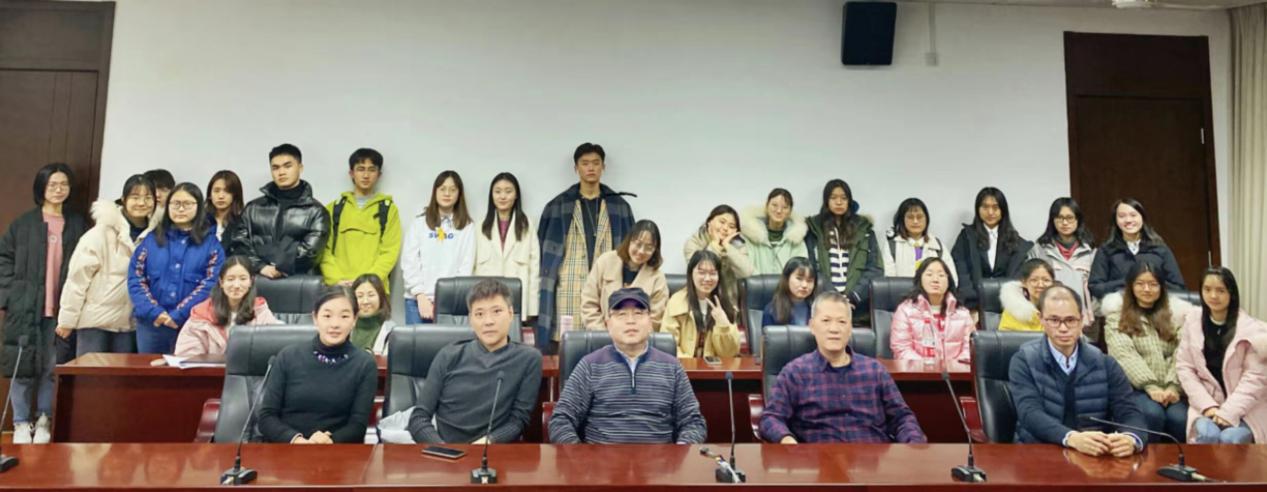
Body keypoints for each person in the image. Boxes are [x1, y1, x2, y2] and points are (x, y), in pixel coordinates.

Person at [760, 291, 926, 443]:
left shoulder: (875, 371)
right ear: (812, 326)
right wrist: (787, 440)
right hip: (819, 460)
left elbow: (902, 418)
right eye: (826, 321)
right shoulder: (795, 373)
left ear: (850, 328)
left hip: (872, 459)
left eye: (841, 322)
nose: (834, 329)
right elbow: (771, 418)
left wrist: (913, 444)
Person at [0, 163, 88, 444]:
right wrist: (11, 296)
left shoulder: (78, 225)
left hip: (61, 311)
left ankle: (44, 418)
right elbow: (3, 260)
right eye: (52, 184)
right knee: (22, 367)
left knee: (52, 368)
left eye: (63, 184)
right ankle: (20, 422)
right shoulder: (23, 224)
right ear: (41, 188)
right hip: (25, 308)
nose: (58, 189)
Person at [549, 287, 707, 444]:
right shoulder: (590, 366)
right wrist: (580, 456)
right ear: (608, 324)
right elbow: (561, 420)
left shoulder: (672, 367)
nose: (630, 321)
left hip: (659, 459)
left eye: (638, 313)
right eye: (621, 314)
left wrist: (679, 451)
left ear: (650, 322)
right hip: (601, 459)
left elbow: (693, 422)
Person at [1008, 284, 1147, 456]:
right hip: (1038, 452)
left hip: (1094, 454)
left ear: (1081, 320)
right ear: (1041, 319)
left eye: (1070, 320)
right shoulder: (1024, 360)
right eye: (1054, 320)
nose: (1063, 328)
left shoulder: (1105, 363)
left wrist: (1131, 438)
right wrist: (1071, 438)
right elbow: (1029, 414)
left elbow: (1129, 411)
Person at [408, 279, 543, 443]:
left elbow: (518, 421)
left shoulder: (528, 359)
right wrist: (443, 449)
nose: (488, 321)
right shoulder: (449, 355)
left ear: (510, 314)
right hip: (446, 452)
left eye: (496, 311)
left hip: (493, 452)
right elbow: (419, 419)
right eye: (479, 314)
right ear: (470, 319)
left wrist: (488, 442)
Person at [537, 143, 635, 352]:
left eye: (596, 163)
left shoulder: (620, 207)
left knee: (607, 348)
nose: (591, 168)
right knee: (566, 348)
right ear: (576, 168)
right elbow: (542, 256)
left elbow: (631, 255)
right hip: (567, 288)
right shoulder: (557, 206)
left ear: (603, 167)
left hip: (608, 289)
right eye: (585, 163)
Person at [257, 287, 377, 444]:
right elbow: (267, 417)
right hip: (288, 448)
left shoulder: (364, 364)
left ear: (354, 319)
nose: (335, 324)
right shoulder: (288, 357)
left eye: (344, 316)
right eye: (327, 316)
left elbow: (358, 425)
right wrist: (298, 441)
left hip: (337, 451)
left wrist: (329, 441)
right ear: (315, 318)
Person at [58, 174, 159, 356]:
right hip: (95, 324)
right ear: (124, 199)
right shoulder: (99, 234)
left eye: (148, 197)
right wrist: (67, 320)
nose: (141, 203)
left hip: (130, 325)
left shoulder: (158, 236)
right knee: (90, 374)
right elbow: (77, 280)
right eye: (135, 197)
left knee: (121, 375)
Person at [128, 183, 224, 354]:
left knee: (188, 371)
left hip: (192, 323)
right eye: (175, 204)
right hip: (152, 324)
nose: (180, 209)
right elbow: (136, 278)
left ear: (199, 207)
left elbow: (211, 284)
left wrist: (179, 314)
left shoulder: (211, 244)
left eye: (187, 204)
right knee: (149, 370)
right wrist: (154, 312)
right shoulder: (151, 239)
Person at [1103, 261, 1194, 441]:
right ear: (1131, 286)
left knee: (1180, 418)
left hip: (1172, 388)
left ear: (1161, 288)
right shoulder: (1117, 317)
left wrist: (1173, 386)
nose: (1147, 289)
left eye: (1153, 284)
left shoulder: (1176, 316)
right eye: (1140, 284)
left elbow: (1183, 352)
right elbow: (1124, 355)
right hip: (1135, 389)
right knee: (1152, 414)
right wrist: (1150, 386)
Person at [1176, 268, 1267, 444]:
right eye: (1207, 289)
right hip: (1207, 404)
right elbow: (1185, 368)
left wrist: (1229, 412)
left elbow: (1255, 379)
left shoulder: (1253, 330)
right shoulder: (1192, 322)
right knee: (1207, 435)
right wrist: (1208, 406)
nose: (1213, 296)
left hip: (1247, 408)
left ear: (1231, 294)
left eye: (1220, 290)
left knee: (1230, 438)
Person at [227, 143, 330, 278]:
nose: (281, 172)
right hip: (257, 281)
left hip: (299, 283)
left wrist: (277, 264)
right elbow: (238, 243)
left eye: (287, 166)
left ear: (300, 168)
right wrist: (261, 266)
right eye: (275, 168)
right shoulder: (253, 208)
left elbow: (311, 254)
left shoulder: (316, 212)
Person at [320, 148, 402, 290]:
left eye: (372, 170)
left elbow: (390, 251)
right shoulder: (333, 209)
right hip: (340, 288)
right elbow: (324, 251)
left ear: (379, 175)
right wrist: (336, 280)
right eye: (360, 169)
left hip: (374, 289)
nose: (366, 175)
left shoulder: (388, 210)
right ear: (351, 173)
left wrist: (368, 281)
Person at [401, 170, 475, 324]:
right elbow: (409, 262)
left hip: (450, 301)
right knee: (418, 341)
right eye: (442, 189)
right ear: (435, 191)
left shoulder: (467, 226)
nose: (447, 194)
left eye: (452, 190)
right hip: (417, 300)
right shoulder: (418, 223)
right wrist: (420, 295)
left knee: (450, 341)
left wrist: (446, 297)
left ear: (459, 194)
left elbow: (466, 265)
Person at [174, 256, 280, 357]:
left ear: (251, 282)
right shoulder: (201, 316)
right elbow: (186, 356)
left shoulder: (260, 311)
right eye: (230, 279)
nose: (236, 285)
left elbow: (274, 346)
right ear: (221, 282)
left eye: (243, 279)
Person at [804, 180, 882, 315]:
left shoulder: (864, 230)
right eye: (833, 198)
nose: (839, 202)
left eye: (844, 198)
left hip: (859, 306)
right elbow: (811, 267)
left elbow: (875, 268)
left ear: (849, 201)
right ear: (826, 201)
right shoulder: (814, 230)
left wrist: (854, 296)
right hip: (823, 304)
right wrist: (834, 297)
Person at [951, 187, 1032, 311]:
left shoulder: (1016, 241)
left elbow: (1017, 274)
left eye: (995, 207)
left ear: (1003, 210)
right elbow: (961, 269)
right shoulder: (966, 237)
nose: (990, 212)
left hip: (1008, 306)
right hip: (972, 304)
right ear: (978, 209)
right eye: (985, 207)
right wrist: (971, 303)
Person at [474, 173, 540, 321]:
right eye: (497, 192)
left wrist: (532, 306)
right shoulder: (480, 226)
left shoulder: (527, 225)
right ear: (491, 195)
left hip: (516, 295)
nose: (502, 196)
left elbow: (534, 268)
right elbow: (472, 267)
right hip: (487, 295)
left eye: (508, 191)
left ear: (516, 195)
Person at [1089, 198, 1184, 300]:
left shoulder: (1160, 249)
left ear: (1142, 217)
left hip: (1157, 305)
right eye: (1122, 216)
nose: (1128, 220)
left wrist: (1152, 283)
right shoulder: (1106, 250)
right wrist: (1127, 282)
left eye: (1133, 215)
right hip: (1119, 305)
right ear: (1115, 220)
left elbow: (1179, 287)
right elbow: (1095, 287)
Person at [580, 219, 668, 331]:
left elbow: (655, 320)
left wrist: (630, 336)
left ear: (655, 250)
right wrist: (603, 334)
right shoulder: (605, 262)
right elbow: (588, 304)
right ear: (629, 241)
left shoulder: (658, 278)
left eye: (649, 248)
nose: (641, 251)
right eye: (638, 244)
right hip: (602, 334)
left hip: (638, 338)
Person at [889, 258, 975, 363]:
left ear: (949, 281)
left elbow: (970, 349)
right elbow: (901, 349)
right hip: (917, 371)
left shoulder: (962, 313)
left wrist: (953, 367)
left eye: (941, 275)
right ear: (920, 279)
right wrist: (928, 367)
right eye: (929, 275)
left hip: (957, 371)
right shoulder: (905, 310)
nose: (935, 280)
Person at [662, 250, 743, 358]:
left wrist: (723, 324)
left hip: (715, 367)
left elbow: (730, 354)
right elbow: (668, 347)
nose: (707, 278)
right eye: (701, 272)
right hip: (683, 365)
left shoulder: (725, 304)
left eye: (713, 273)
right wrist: (689, 364)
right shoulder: (676, 302)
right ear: (691, 274)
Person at [1029, 197, 1096, 315]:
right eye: (1060, 218)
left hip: (1083, 316)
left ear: (1078, 220)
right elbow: (1032, 283)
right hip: (1050, 313)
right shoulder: (1040, 249)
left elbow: (1096, 287)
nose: (1065, 223)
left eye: (1069, 218)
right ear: (1052, 220)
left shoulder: (1090, 250)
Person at [683, 205, 754, 304]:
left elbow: (747, 272)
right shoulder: (694, 242)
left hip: (728, 302)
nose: (725, 228)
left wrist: (727, 246)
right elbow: (702, 269)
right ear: (709, 222)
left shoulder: (737, 246)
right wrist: (714, 245)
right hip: (698, 300)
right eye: (722, 222)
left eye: (731, 226)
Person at [881, 198, 957, 282]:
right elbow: (889, 281)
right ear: (902, 220)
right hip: (901, 290)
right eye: (910, 217)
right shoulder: (892, 245)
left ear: (926, 219)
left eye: (919, 217)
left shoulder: (938, 246)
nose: (915, 221)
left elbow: (952, 280)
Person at [740, 188, 809, 276]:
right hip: (756, 283)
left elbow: (800, 270)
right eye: (774, 205)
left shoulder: (796, 238)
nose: (779, 211)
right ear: (766, 206)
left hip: (787, 285)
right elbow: (745, 266)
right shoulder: (750, 234)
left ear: (790, 211)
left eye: (785, 207)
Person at [999, 259, 1056, 332]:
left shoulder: (1062, 309)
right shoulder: (1013, 310)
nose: (1041, 285)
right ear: (1024, 283)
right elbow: (1006, 337)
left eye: (1046, 280)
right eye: (1034, 280)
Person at [762, 257, 817, 327]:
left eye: (809, 281)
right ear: (787, 279)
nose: (804, 285)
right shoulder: (772, 310)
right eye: (799, 279)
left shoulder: (819, 309)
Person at [350, 274, 394, 355]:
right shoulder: (344, 327)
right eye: (360, 296)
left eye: (371, 295)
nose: (365, 301)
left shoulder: (391, 331)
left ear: (381, 297)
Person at [205, 170, 245, 242]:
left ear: (235, 195)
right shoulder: (200, 221)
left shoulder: (243, 222)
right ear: (209, 194)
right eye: (216, 191)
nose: (221, 196)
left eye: (227, 191)